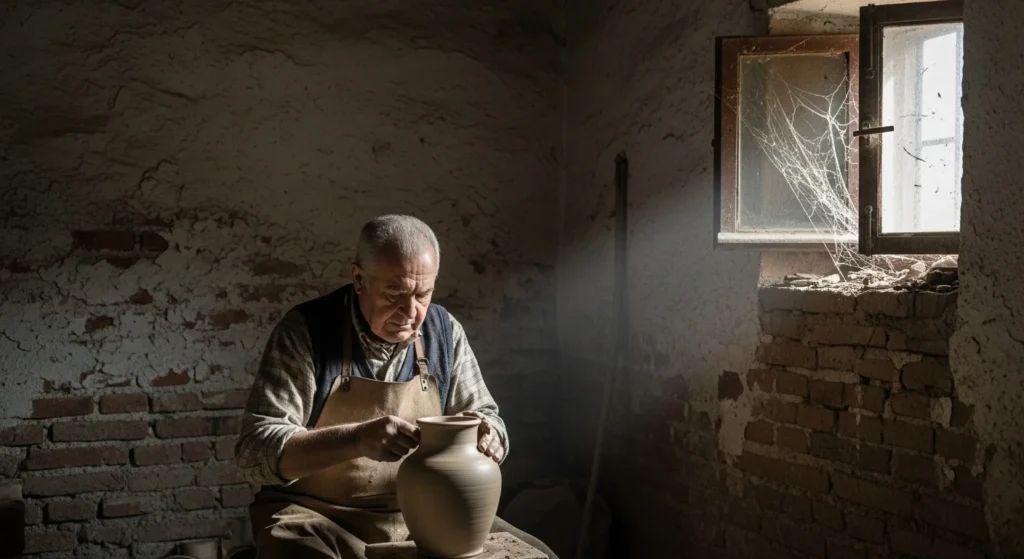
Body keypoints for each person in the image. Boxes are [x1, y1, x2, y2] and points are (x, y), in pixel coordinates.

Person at [235, 215, 558, 558]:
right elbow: (253, 452)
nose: (411, 312)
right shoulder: (305, 332)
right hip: (317, 515)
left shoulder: (444, 331)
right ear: (358, 279)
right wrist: (356, 439)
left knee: (538, 554)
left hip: (426, 515)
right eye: (394, 294)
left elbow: (487, 415)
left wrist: (489, 434)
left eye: (424, 294)